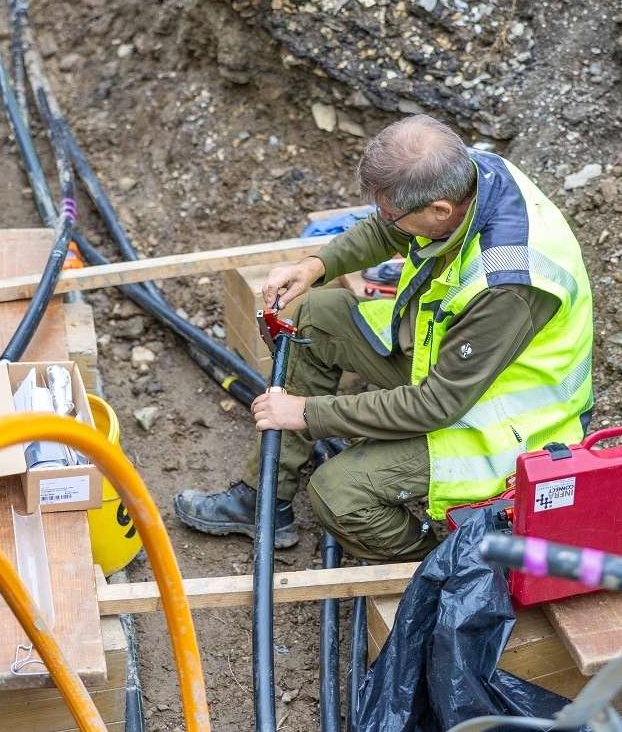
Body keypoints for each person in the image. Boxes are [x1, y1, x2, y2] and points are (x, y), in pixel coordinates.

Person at [173, 115, 593, 562]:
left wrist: (307, 413)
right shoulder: (466, 176)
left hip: (505, 429)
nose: (386, 222)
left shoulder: (508, 283)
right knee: (317, 317)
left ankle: (441, 561)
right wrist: (315, 266)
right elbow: (383, 230)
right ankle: (263, 498)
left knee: (338, 494)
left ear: (439, 212)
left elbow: (436, 406)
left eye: (394, 214)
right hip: (454, 371)